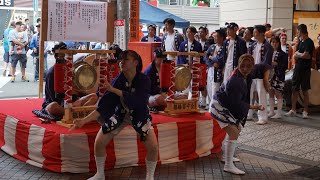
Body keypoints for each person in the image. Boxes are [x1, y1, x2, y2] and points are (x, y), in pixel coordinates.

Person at [73, 50, 158, 180]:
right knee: (99, 142)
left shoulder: (144, 79)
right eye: (120, 59)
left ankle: (150, 177)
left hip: (139, 115)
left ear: (135, 63)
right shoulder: (117, 81)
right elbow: (103, 107)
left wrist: (114, 90)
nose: (121, 62)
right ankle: (100, 174)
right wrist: (83, 121)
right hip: (121, 114)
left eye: (126, 59)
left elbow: (137, 101)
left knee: (153, 147)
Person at [210, 54, 264, 175]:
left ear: (252, 67)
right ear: (238, 65)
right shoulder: (236, 81)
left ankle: (226, 157)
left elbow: (237, 102)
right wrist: (255, 107)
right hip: (219, 105)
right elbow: (236, 103)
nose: (245, 69)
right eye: (242, 66)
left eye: (248, 66)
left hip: (225, 104)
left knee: (236, 129)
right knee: (234, 131)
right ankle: (228, 165)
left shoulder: (243, 76)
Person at [32, 42, 98, 120]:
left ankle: (75, 112)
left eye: (64, 55)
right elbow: (53, 98)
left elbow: (78, 90)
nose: (63, 58)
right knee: (53, 106)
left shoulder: (71, 68)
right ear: (55, 56)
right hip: (59, 104)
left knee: (94, 96)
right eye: (61, 56)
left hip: (72, 102)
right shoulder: (51, 72)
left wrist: (78, 95)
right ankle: (75, 113)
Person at [285, 24, 315, 119]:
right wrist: (299, 55)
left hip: (305, 70)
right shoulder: (300, 42)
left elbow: (306, 55)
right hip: (297, 68)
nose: (297, 33)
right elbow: (296, 55)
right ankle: (293, 109)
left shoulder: (309, 42)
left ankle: (305, 111)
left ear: (301, 31)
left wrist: (299, 54)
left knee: (305, 90)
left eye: (298, 31)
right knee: (295, 89)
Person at [247, 25, 273, 125]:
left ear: (262, 33)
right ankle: (248, 113)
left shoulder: (267, 46)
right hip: (251, 72)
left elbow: (266, 62)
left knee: (261, 94)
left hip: (261, 73)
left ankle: (263, 117)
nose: (253, 34)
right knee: (249, 94)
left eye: (255, 32)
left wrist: (255, 66)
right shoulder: (253, 45)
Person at [268, 36, 288, 119]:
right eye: (272, 42)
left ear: (279, 43)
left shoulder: (283, 54)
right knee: (270, 92)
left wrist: (276, 64)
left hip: (279, 75)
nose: (274, 44)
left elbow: (285, 66)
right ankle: (272, 111)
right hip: (270, 75)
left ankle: (279, 113)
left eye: (276, 42)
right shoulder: (269, 52)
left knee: (278, 93)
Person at [205, 28, 226, 106]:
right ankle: (211, 104)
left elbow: (220, 59)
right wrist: (211, 63)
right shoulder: (212, 46)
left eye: (216, 36)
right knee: (209, 87)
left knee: (215, 88)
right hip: (211, 69)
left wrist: (212, 58)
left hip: (218, 70)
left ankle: (213, 107)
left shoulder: (224, 47)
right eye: (214, 36)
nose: (214, 38)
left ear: (221, 38)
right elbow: (206, 56)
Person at [144, 48, 167, 113]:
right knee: (159, 98)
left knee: (182, 95)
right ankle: (171, 105)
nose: (162, 60)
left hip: (163, 94)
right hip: (150, 95)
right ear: (155, 57)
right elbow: (149, 88)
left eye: (163, 58)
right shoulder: (149, 70)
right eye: (160, 58)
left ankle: (169, 103)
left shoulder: (165, 67)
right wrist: (161, 92)